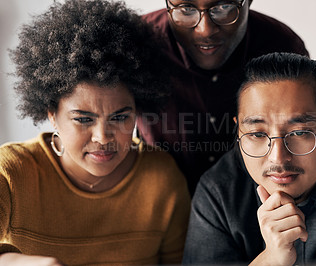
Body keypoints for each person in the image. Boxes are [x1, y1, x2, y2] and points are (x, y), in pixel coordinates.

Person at [0, 0, 191, 265]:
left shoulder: (161, 179)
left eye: (120, 117)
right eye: (83, 119)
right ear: (51, 114)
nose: (103, 137)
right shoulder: (11, 173)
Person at [182, 53, 316, 265]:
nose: (278, 157)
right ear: (239, 130)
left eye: (299, 133)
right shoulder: (218, 193)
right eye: (257, 134)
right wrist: (270, 260)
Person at [137, 0, 309, 195]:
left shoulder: (281, 46)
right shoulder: (137, 43)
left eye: (224, 8)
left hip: (258, 209)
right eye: (186, 9)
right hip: (160, 204)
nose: (205, 30)